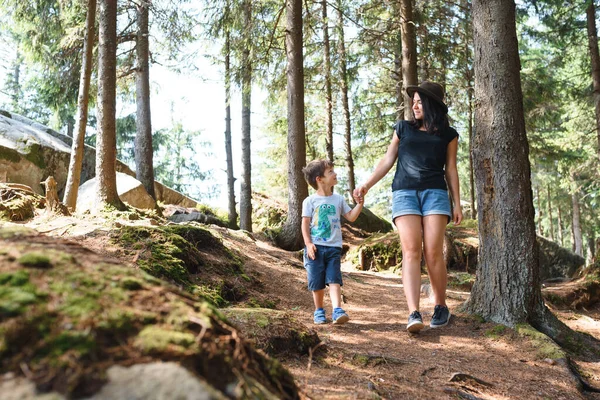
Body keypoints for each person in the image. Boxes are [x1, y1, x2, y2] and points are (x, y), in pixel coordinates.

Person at [353, 81, 462, 333]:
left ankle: (440, 306)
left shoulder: (448, 134)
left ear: (432, 105)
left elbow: (451, 169)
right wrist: (366, 185)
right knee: (411, 251)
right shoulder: (403, 128)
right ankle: (413, 312)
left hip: (435, 193)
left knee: (433, 251)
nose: (414, 104)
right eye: (412, 100)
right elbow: (388, 159)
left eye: (419, 101)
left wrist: (456, 203)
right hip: (404, 193)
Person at [301, 160, 364, 325]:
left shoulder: (338, 199)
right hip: (315, 247)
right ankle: (319, 310)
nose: (335, 174)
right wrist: (308, 244)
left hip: (334, 248)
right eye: (330, 172)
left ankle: (337, 310)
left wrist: (360, 204)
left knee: (334, 279)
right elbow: (305, 224)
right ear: (319, 179)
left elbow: (351, 217)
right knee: (317, 282)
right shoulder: (310, 201)